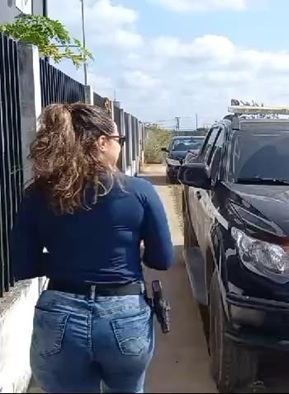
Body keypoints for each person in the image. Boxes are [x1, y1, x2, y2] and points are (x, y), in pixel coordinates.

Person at [10, 103, 175, 393]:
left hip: (59, 317)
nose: (120, 147)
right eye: (119, 141)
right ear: (101, 142)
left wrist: (68, 263)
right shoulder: (139, 191)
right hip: (124, 318)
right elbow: (162, 259)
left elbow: (22, 264)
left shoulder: (37, 194)